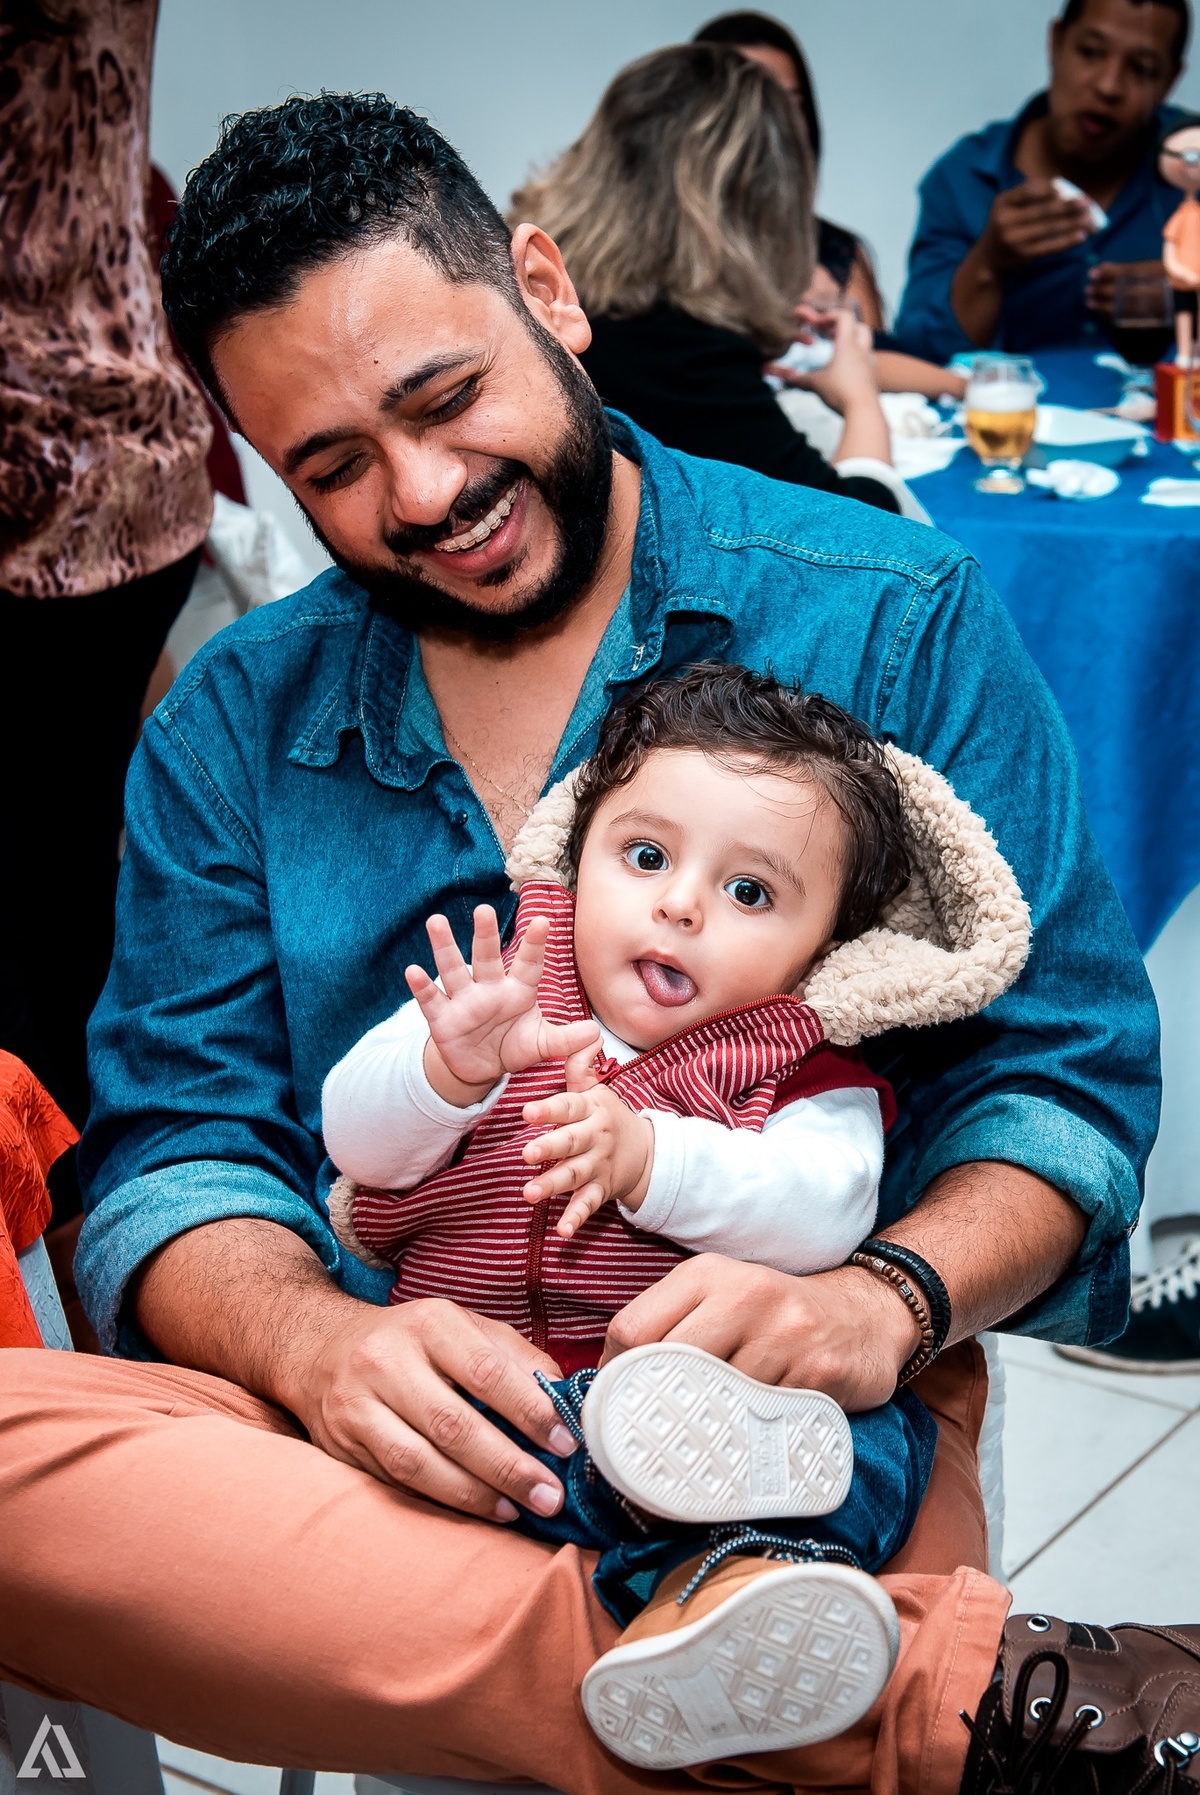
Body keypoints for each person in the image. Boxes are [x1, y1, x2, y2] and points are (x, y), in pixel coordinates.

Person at [1, 90, 1188, 1795]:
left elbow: (1062, 1080)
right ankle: (931, 1715)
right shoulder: (230, 730)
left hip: (781, 1420)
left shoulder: (885, 615)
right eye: (331, 466)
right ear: (259, 461)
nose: (424, 495)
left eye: (444, 397)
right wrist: (316, 1345)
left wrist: (884, 1296)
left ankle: (818, 1685)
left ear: (549, 291)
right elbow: (175, 1148)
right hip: (387, 1438)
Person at [322, 660, 1036, 1768]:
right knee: (470, 1452)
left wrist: (654, 1158)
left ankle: (729, 1599)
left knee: (871, 1435)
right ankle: (702, 1589)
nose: (681, 904)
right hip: (501, 1397)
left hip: (708, 1405)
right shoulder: (503, 996)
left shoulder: (802, 1069)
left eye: (751, 893)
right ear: (581, 849)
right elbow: (356, 1152)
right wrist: (441, 1074)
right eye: (645, 856)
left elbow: (824, 1215)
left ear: (822, 950)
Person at [0, 0, 212, 1224]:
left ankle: (67, 1242)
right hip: (126, 444)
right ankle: (94, 1219)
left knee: (43, 910)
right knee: (70, 886)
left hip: (47, 467)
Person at [511, 44, 907, 514]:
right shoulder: (680, 347)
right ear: (758, 203)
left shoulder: (543, 291)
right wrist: (860, 397)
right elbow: (856, 534)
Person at [893, 0, 1190, 361]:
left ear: (1170, 80)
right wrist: (987, 264)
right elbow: (915, 358)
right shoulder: (964, 178)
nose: (1109, 86)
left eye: (1142, 69)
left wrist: (1188, 291)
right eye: (1091, 52)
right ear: (1056, 43)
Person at [691, 10, 886, 326]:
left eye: (791, 104)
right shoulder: (646, 252)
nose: (776, 123)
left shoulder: (836, 251)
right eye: (751, 101)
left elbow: (877, 365)